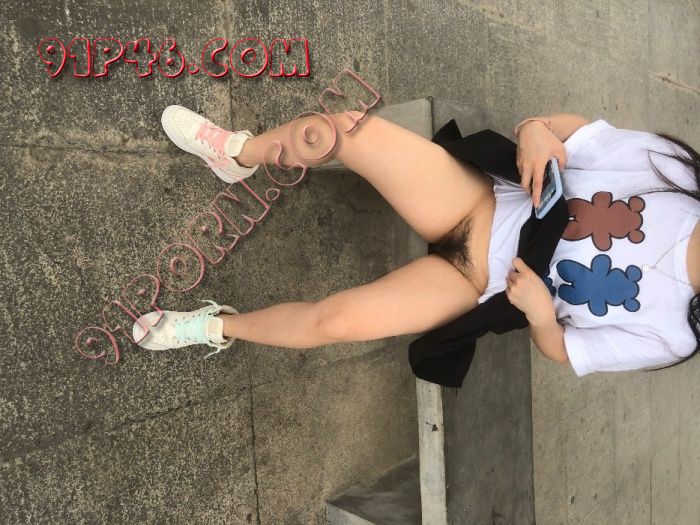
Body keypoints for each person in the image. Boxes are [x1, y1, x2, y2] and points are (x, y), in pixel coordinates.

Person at [132, 106, 700, 377]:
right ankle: (238, 154)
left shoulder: (675, 334)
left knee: (336, 323)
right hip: (480, 199)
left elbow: (564, 350)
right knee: (340, 131)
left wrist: (539, 315)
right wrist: (535, 131)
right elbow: (573, 132)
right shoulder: (676, 172)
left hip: (476, 285)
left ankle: (215, 326)